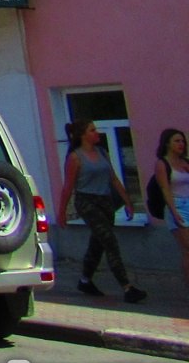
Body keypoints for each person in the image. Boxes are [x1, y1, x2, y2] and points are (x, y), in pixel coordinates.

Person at [58, 120, 147, 303]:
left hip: (105, 201)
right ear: (83, 135)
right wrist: (62, 212)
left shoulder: (102, 152)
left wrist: (128, 202)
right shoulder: (75, 157)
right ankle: (127, 287)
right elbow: (68, 187)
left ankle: (85, 280)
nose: (97, 133)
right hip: (87, 202)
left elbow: (113, 179)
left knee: (98, 243)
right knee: (109, 241)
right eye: (92, 130)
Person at [155, 128, 189, 292]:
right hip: (177, 207)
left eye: (182, 141)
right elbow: (165, 189)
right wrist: (174, 212)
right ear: (167, 143)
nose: (181, 144)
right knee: (188, 248)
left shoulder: (186, 163)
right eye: (177, 141)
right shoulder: (163, 164)